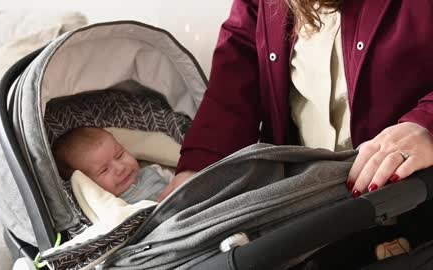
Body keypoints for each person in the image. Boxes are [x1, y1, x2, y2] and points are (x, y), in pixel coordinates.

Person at [159, 0, 433, 202]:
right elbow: (236, 71)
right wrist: (200, 169)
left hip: (409, 203)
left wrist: (426, 125)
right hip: (304, 207)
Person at [52, 127, 172, 204]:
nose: (121, 168)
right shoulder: (110, 206)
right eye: (104, 170)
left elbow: (184, 183)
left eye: (119, 155)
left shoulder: (155, 171)